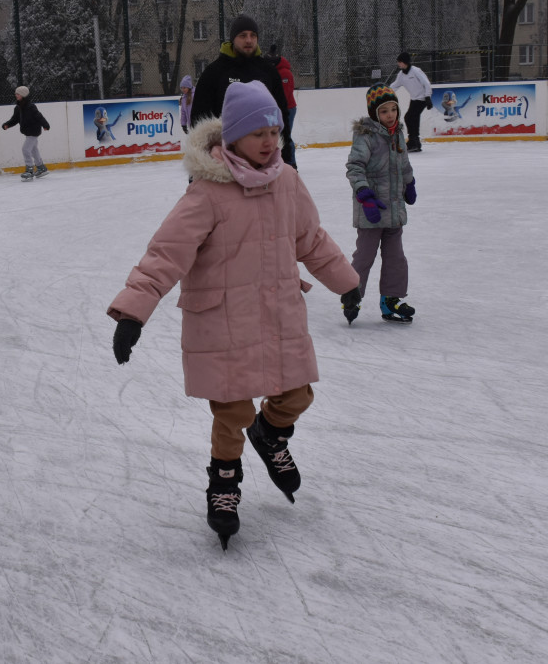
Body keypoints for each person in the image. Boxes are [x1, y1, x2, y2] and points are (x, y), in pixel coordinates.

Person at [107, 81, 359, 550]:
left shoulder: (286, 180)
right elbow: (166, 253)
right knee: (231, 412)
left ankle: (271, 436)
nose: (269, 141)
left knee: (297, 394)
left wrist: (347, 281)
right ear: (233, 137)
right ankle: (224, 485)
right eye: (259, 131)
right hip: (223, 321)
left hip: (278, 313)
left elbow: (312, 239)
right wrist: (133, 313)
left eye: (275, 131)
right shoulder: (207, 192)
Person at [343, 84, 417, 324]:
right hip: (372, 210)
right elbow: (355, 167)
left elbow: (404, 164)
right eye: (384, 111)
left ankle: (391, 300)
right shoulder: (366, 135)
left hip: (394, 210)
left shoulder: (398, 133)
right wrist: (364, 194)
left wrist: (410, 183)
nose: (390, 115)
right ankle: (352, 296)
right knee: (364, 257)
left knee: (396, 258)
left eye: (393, 109)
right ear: (375, 113)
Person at [189, 15, 294, 167]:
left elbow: (281, 114)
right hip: (224, 160)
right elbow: (200, 120)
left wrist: (287, 159)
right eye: (243, 35)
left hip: (264, 158)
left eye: (253, 35)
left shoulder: (268, 72)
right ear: (233, 39)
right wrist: (202, 164)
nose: (249, 40)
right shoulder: (214, 72)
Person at [1, 86, 50, 180]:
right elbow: (14, 119)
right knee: (33, 149)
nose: (16, 95)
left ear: (23, 95)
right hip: (27, 132)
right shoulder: (18, 108)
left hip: (33, 131)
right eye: (16, 93)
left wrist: (45, 125)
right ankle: (41, 168)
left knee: (25, 149)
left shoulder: (31, 107)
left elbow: (39, 116)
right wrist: (7, 124)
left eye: (18, 94)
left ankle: (29, 169)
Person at [390, 52, 432, 152]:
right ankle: (415, 142)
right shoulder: (401, 74)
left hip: (422, 99)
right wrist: (385, 91)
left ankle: (414, 141)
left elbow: (426, 83)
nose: (398, 64)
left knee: (410, 117)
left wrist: (428, 97)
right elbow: (395, 85)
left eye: (399, 62)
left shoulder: (416, 71)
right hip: (414, 99)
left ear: (405, 62)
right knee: (411, 118)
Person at [269, 45, 298, 167]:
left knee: (286, 135)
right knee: (281, 135)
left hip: (288, 109)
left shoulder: (285, 73)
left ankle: (291, 162)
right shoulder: (276, 72)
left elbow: (285, 94)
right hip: (281, 108)